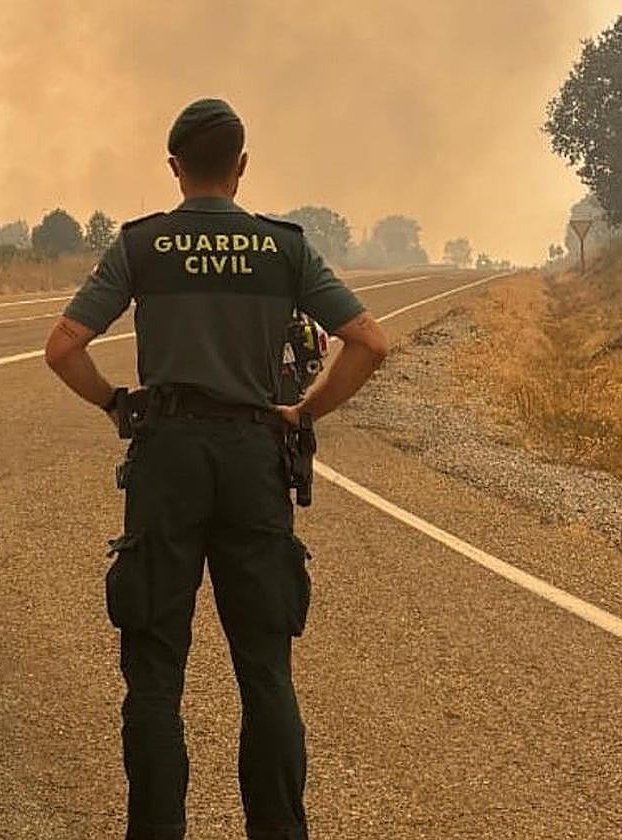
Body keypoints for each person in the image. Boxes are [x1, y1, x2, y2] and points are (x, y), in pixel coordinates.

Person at [44, 98, 389, 840]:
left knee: (155, 671)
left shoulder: (140, 247)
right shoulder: (284, 249)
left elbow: (63, 347)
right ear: (241, 167)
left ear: (174, 169)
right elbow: (367, 341)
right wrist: (304, 414)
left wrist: (114, 404)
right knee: (265, 670)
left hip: (167, 459)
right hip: (253, 458)